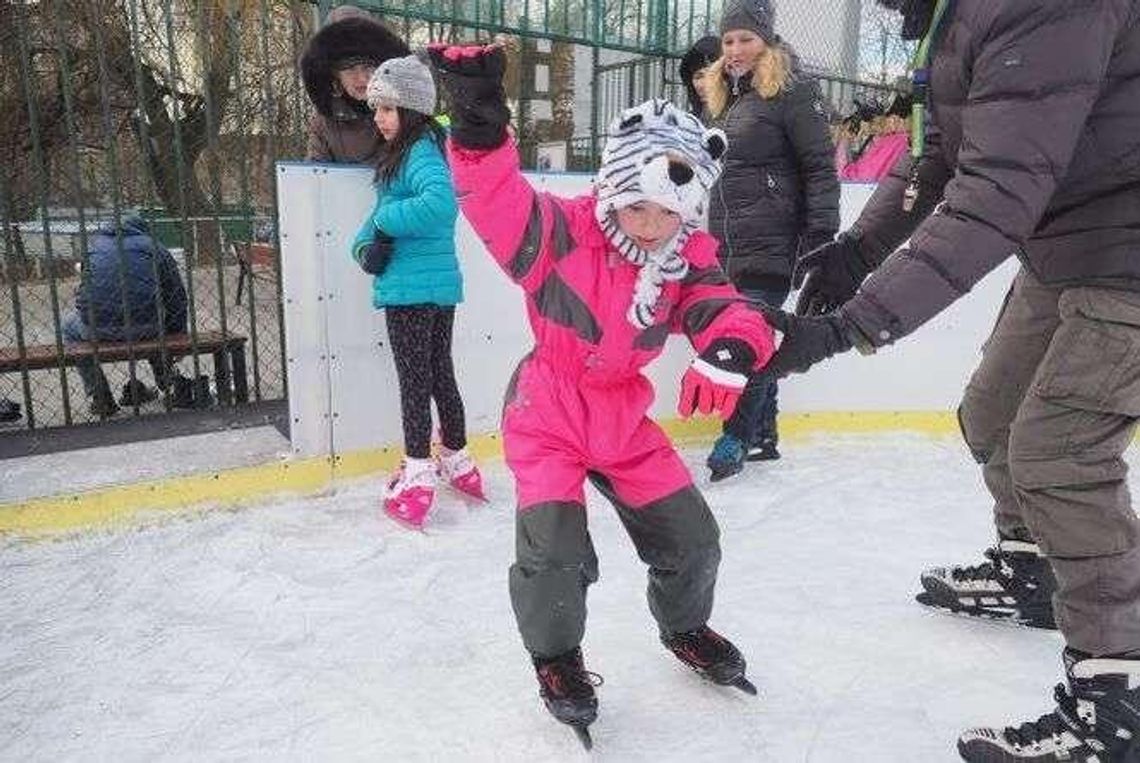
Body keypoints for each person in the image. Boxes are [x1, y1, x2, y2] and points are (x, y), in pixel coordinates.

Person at [762, 1, 1140, 759]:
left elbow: (994, 192)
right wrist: (857, 250)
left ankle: (1117, 700)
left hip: (1126, 254)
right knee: (991, 417)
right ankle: (1030, 569)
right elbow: (940, 151)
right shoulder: (960, 14)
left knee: (1058, 459)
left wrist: (852, 325)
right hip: (1064, 245)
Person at [427, 43, 775, 745]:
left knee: (694, 538)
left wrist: (732, 349)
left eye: (668, 212)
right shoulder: (559, 232)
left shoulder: (683, 259)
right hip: (548, 406)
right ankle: (557, 657)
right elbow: (495, 201)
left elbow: (723, 307)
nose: (649, 223)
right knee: (555, 552)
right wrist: (477, 121)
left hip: (621, 414)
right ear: (615, 183)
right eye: (638, 203)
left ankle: (682, 626)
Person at [702, 0, 839, 479]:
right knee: (754, 337)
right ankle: (763, 435)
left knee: (747, 339)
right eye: (729, 41)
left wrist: (821, 235)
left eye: (746, 39)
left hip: (775, 242)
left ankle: (735, 437)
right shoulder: (727, 98)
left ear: (767, 42)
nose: (736, 49)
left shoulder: (793, 91)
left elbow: (820, 166)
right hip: (728, 245)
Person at [350, 55, 483, 529]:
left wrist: (384, 226)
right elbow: (383, 213)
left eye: (387, 109)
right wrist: (363, 246)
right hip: (435, 286)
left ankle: (418, 475)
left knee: (416, 382)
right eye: (375, 109)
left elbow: (440, 204)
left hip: (412, 290)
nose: (379, 118)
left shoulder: (420, 151)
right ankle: (457, 458)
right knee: (438, 374)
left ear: (412, 109)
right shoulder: (414, 151)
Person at [63, 215, 188, 418]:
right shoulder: (153, 246)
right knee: (157, 320)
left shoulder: (95, 246)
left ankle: (100, 396)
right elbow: (176, 296)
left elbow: (84, 291)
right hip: (147, 328)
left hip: (97, 329)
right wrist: (178, 334)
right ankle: (169, 383)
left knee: (67, 327)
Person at [299, 5, 409, 163]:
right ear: (336, 75)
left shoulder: (403, 111)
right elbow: (315, 173)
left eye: (368, 67)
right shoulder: (324, 120)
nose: (362, 79)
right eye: (350, 69)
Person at [679, 35, 720, 116]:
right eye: (698, 77)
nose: (705, 84)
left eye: (712, 75)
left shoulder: (747, 117)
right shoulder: (687, 122)